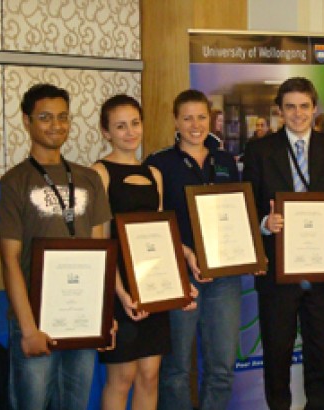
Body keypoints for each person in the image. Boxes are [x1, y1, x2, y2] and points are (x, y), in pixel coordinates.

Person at [242, 77, 324, 410]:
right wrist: (265, 223)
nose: (297, 114)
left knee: (321, 353)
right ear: (279, 111)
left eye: (304, 106)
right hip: (277, 271)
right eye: (290, 107)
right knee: (276, 354)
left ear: (315, 109)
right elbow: (247, 205)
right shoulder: (260, 150)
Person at [0, 83, 112, 409]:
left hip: (83, 318)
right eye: (45, 117)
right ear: (27, 121)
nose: (56, 125)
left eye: (63, 117)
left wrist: (102, 315)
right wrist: (28, 328)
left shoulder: (89, 179)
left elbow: (100, 251)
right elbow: (10, 260)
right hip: (35, 318)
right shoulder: (13, 183)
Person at [92, 94, 198, 410]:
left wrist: (183, 269)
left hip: (153, 284)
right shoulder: (99, 172)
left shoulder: (155, 175)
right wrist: (121, 294)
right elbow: (101, 243)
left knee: (150, 374)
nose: (130, 132)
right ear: (106, 132)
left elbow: (161, 235)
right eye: (120, 126)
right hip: (118, 286)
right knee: (122, 376)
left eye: (135, 123)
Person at [145, 89, 242, 410]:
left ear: (212, 119)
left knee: (222, 368)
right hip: (179, 278)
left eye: (201, 116)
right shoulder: (159, 164)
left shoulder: (227, 161)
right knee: (175, 370)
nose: (195, 124)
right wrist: (184, 252)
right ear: (176, 120)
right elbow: (154, 225)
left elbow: (238, 215)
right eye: (187, 118)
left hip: (225, 278)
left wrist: (249, 251)